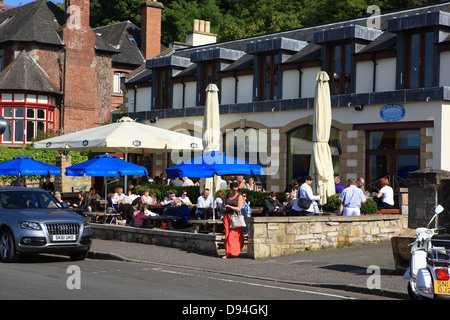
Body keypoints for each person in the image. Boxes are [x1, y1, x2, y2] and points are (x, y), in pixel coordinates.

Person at [221, 182, 244, 258]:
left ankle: (234, 251)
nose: (235, 192)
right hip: (227, 217)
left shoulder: (239, 196)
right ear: (231, 189)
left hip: (235, 217)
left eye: (237, 190)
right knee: (227, 235)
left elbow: (239, 208)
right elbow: (223, 205)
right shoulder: (227, 195)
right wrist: (224, 207)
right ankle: (227, 252)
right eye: (234, 190)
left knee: (233, 235)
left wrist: (230, 206)